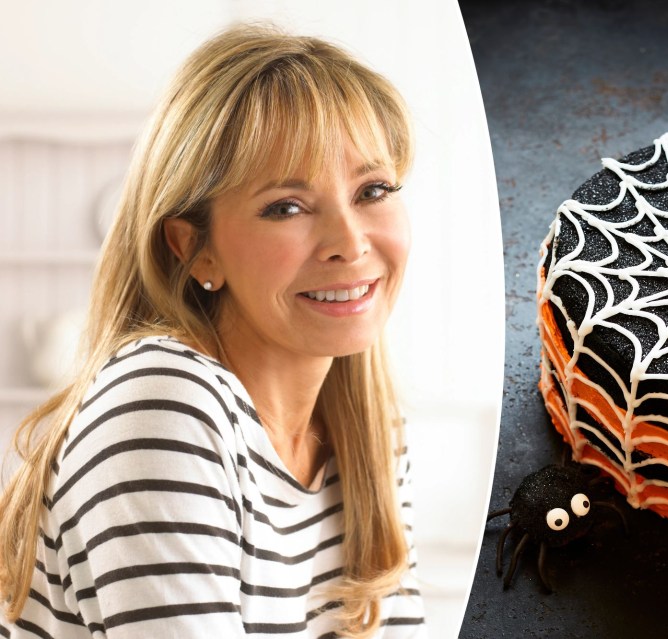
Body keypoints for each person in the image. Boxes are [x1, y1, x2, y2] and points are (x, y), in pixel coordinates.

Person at [0, 24, 426, 638]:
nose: (351, 243)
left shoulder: (369, 432)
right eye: (286, 206)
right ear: (195, 248)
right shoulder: (164, 405)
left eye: (373, 190)